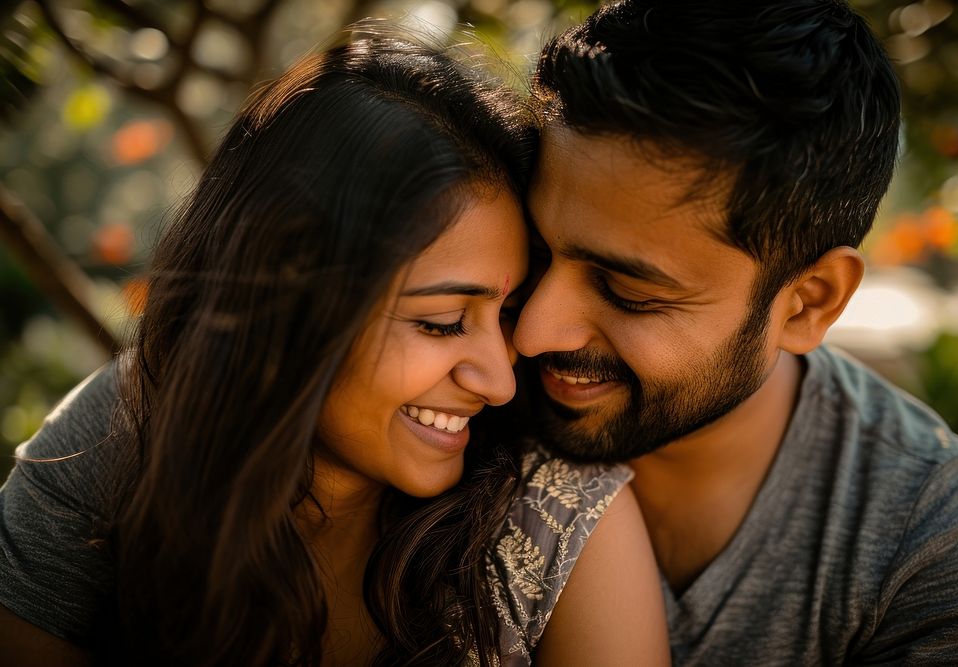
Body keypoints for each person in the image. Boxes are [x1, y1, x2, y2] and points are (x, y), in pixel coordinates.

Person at [0, 36, 668, 666]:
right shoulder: (110, 444)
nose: (500, 380)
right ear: (285, 306)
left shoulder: (557, 518)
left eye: (507, 312)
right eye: (440, 321)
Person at [511, 0, 958, 664]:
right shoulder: (451, 401)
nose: (530, 332)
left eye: (628, 292)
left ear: (807, 304)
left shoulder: (931, 547)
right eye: (533, 254)